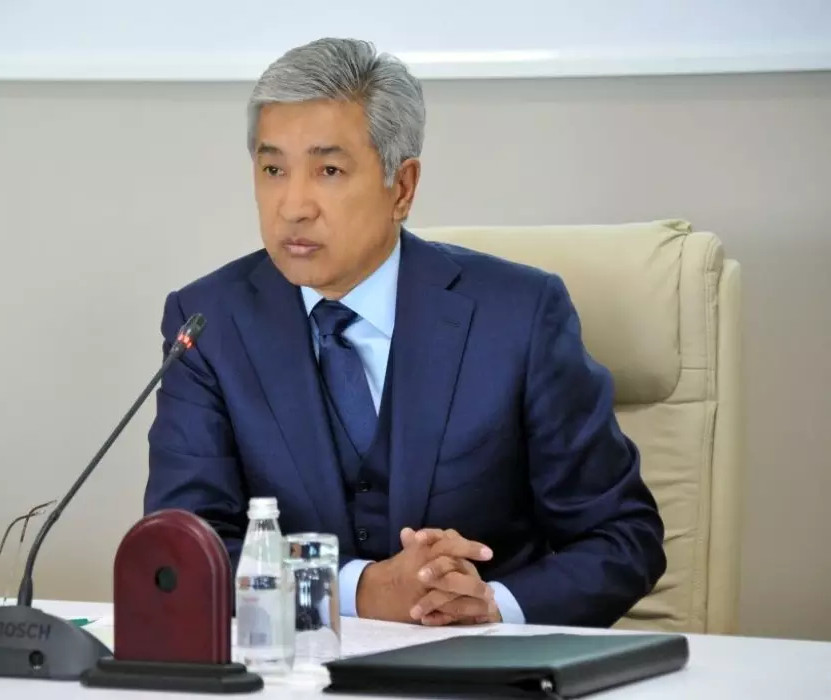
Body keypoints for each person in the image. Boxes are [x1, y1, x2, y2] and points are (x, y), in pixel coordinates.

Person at [145, 37, 666, 628]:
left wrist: (492, 604)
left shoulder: (518, 316)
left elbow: (622, 536)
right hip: (296, 666)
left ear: (403, 187)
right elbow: (185, 550)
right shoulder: (208, 323)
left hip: (480, 664)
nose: (292, 206)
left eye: (329, 170)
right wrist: (357, 591)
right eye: (273, 170)